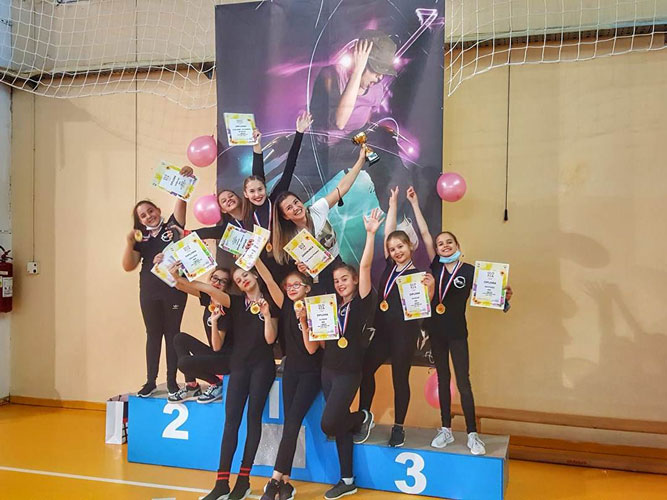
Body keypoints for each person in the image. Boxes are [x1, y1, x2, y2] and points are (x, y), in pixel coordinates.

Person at [407, 187, 513, 455]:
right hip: (436, 333)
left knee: (463, 383)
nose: (444, 246)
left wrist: (503, 296)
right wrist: (415, 203)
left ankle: (472, 434)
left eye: (449, 243)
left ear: (457, 246)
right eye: (440, 244)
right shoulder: (434, 267)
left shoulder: (469, 271)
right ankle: (446, 429)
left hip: (457, 334)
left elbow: (489, 295)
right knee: (443, 380)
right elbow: (424, 233)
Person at [184, 267, 279, 500]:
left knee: (253, 420)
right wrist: (180, 277)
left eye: (245, 275)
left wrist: (267, 315)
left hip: (262, 367)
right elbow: (207, 289)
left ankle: (243, 481)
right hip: (239, 366)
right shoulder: (234, 302)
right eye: (237, 279)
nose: (242, 280)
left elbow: (270, 339)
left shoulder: (270, 301)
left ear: (254, 275)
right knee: (231, 423)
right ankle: (221, 483)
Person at [319, 208, 381, 500]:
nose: (340, 284)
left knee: (329, 423)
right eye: (337, 281)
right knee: (338, 427)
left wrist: (370, 234)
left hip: (348, 372)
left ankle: (362, 417)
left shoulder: (362, 303)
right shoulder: (333, 307)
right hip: (327, 370)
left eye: (345, 279)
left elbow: (365, 266)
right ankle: (347, 480)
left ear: (355, 281)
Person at [358, 187, 425, 447]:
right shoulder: (389, 266)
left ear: (410, 247)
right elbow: (388, 232)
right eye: (393, 248)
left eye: (400, 247)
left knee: (400, 378)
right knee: (365, 370)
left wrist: (429, 288)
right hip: (382, 332)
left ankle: (399, 427)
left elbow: (423, 306)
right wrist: (393, 204)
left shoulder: (418, 277)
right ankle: (364, 416)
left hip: (403, 335)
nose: (396, 251)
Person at [121, 166, 194, 398]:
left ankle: (172, 381)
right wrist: (129, 242)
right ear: (139, 221)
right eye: (143, 216)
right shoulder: (139, 238)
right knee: (153, 334)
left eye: (150, 211)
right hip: (149, 290)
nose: (148, 216)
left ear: (158, 210)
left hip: (174, 289)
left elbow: (182, 199)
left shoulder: (172, 226)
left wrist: (184, 179)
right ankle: (150, 381)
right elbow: (128, 266)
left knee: (173, 334)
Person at [253, 258, 322, 500]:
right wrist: (255, 259)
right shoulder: (284, 306)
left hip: (311, 373)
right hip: (290, 371)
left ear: (307, 288)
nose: (291, 288)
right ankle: (285, 483)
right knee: (289, 425)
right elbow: (269, 281)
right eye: (288, 286)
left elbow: (312, 350)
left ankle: (273, 480)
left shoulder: (316, 311)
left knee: (292, 423)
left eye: (296, 285)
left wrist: (304, 320)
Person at [271, 145, 368, 294]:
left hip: (338, 267)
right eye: (289, 208)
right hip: (318, 280)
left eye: (296, 202)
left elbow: (342, 188)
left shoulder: (317, 209)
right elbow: (306, 272)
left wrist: (361, 160)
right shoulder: (291, 238)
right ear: (285, 216)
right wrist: (303, 270)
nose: (296, 208)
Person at [165, 266, 233, 403]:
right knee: (180, 338)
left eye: (223, 281)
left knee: (184, 364)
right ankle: (192, 386)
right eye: (215, 278)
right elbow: (179, 285)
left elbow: (217, 347)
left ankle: (216, 383)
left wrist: (214, 322)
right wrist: (177, 269)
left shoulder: (226, 304)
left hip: (226, 359)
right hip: (214, 355)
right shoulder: (208, 298)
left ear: (227, 286)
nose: (217, 283)